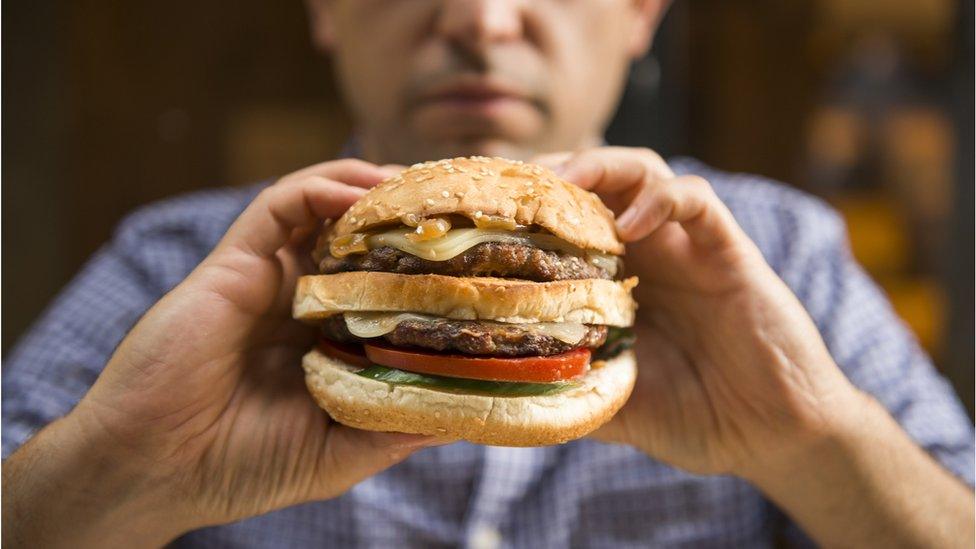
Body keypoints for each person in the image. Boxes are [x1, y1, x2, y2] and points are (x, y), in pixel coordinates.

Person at [3, 1, 973, 547]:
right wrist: (124, 472)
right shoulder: (178, 267)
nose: (480, 19)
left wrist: (810, 444)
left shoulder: (781, 254)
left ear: (640, 14)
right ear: (327, 12)